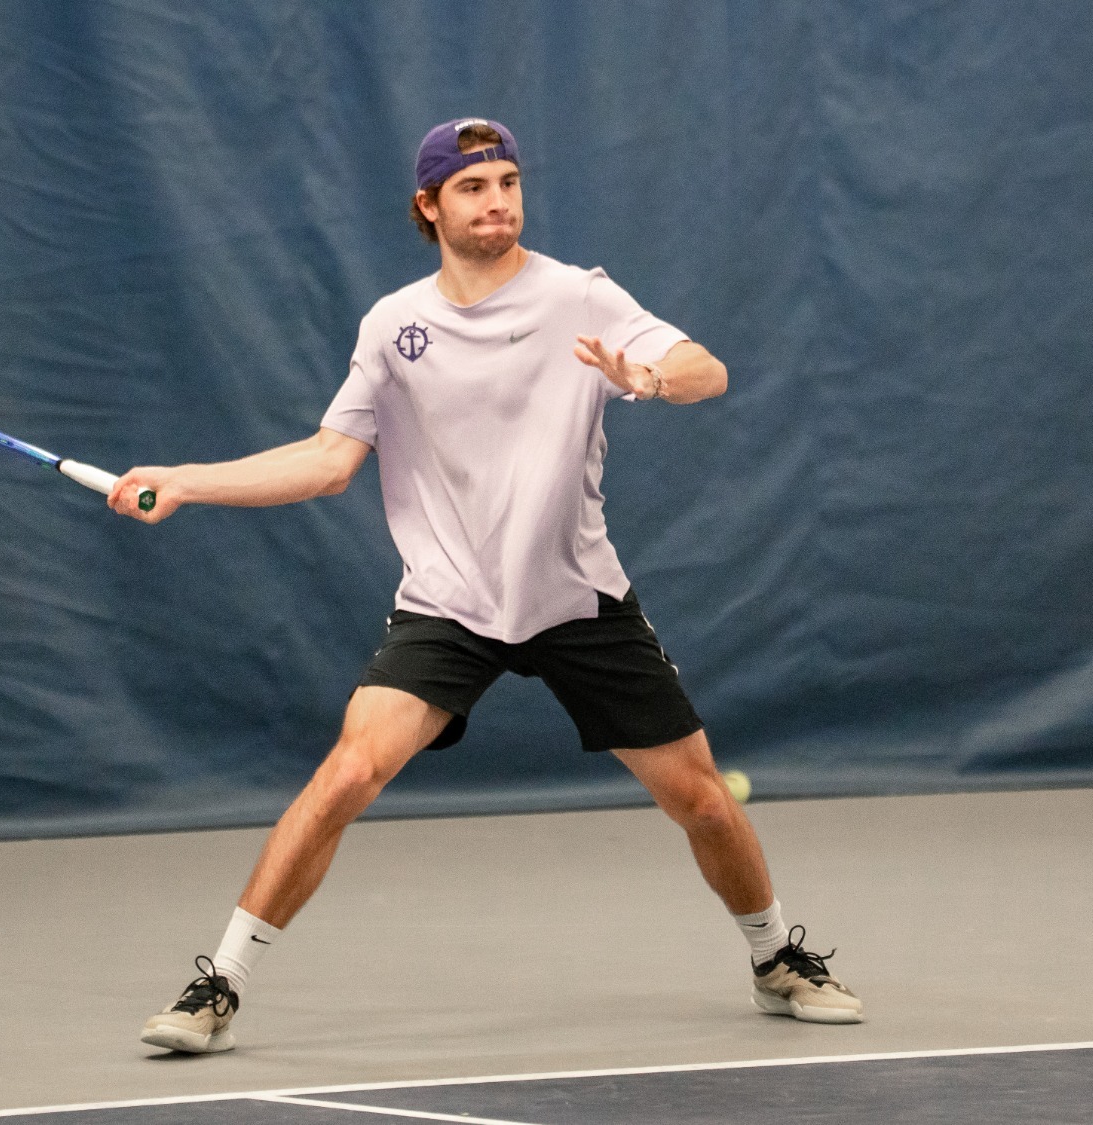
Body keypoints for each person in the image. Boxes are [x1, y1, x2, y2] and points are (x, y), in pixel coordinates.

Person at [110, 118, 862, 1054]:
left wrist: (653, 378)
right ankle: (217, 984)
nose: (498, 200)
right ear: (430, 207)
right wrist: (186, 481)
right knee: (347, 773)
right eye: (473, 187)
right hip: (449, 602)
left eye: (508, 181)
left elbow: (704, 368)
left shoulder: (579, 295)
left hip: (575, 595)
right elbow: (328, 460)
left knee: (703, 799)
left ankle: (775, 958)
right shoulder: (394, 325)